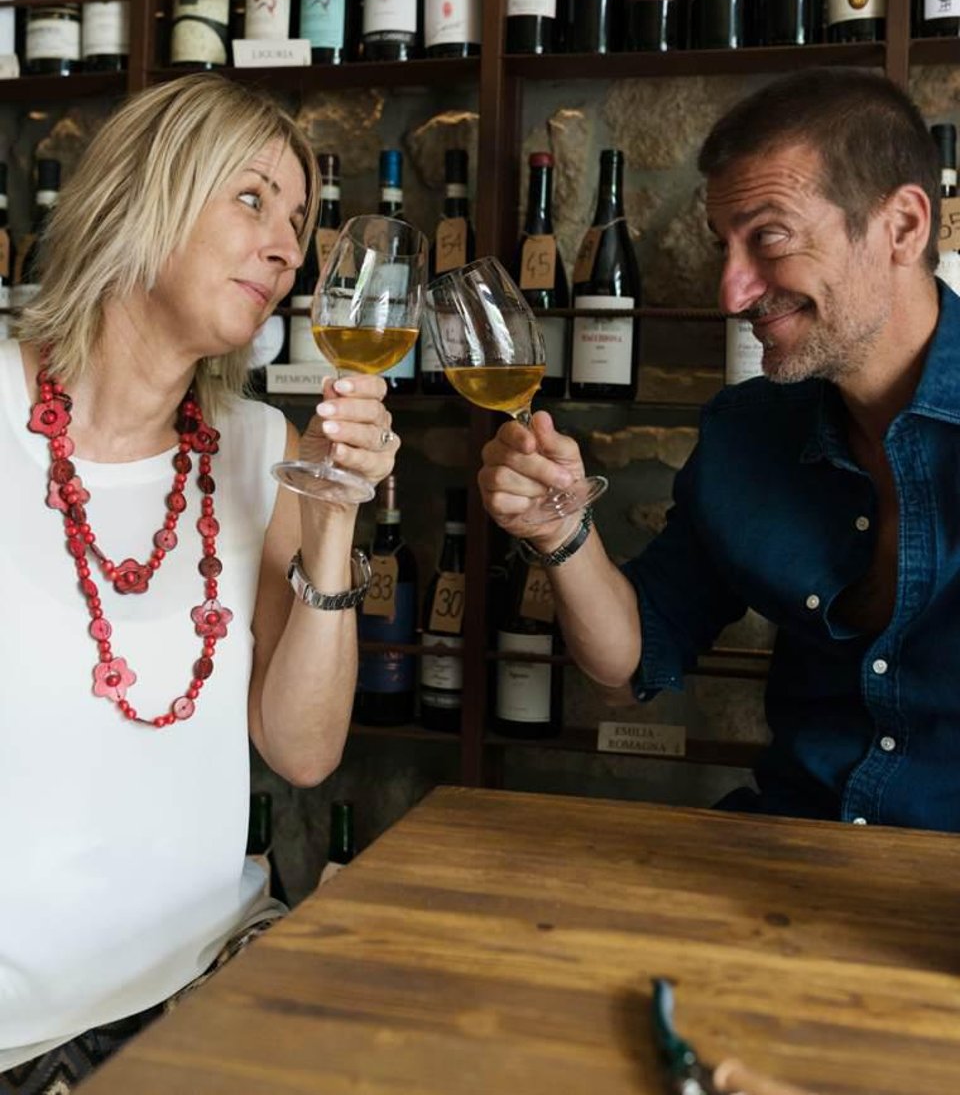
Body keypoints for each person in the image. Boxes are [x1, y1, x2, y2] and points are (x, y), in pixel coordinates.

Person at [0, 75, 400, 1090]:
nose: (287, 249)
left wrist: (334, 516)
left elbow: (302, 751)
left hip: (207, 991)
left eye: (298, 222)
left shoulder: (260, 444)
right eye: (252, 199)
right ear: (143, 195)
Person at [479, 67, 960, 831]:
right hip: (785, 851)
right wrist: (561, 532)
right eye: (723, 248)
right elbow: (630, 661)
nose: (732, 293)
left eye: (768, 237)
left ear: (902, 226)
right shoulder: (747, 434)